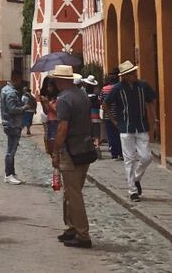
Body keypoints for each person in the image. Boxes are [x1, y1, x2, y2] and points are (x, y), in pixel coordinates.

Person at [50, 65, 96, 249]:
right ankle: (72, 227)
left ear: (60, 81)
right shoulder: (82, 94)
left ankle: (82, 233)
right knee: (71, 191)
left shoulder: (64, 98)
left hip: (71, 150)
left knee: (73, 192)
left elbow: (62, 128)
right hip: (85, 147)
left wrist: (55, 151)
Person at [103, 60, 158, 202]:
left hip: (141, 126)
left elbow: (152, 100)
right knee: (129, 159)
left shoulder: (143, 86)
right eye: (132, 73)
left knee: (146, 157)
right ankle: (132, 190)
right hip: (125, 127)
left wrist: (154, 119)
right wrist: (114, 121)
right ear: (125, 76)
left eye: (134, 72)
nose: (135, 74)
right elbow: (106, 104)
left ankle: (136, 178)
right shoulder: (117, 88)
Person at [0, 70, 26, 185]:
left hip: (9, 122)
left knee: (12, 149)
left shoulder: (5, 89)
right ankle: (8, 174)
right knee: (11, 150)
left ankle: (11, 172)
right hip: (13, 123)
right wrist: (24, 107)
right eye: (20, 79)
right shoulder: (10, 92)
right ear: (15, 78)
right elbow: (12, 109)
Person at [101, 71, 122, 160]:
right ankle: (121, 152)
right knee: (120, 134)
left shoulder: (104, 89)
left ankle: (114, 153)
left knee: (111, 135)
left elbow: (102, 102)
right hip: (119, 114)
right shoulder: (120, 88)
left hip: (108, 115)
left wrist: (104, 115)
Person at [39, 77, 59, 155]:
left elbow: (57, 112)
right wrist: (44, 103)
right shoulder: (50, 97)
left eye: (50, 86)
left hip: (56, 121)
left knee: (54, 141)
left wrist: (47, 103)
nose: (48, 88)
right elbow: (47, 111)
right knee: (49, 138)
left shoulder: (58, 98)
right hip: (50, 121)